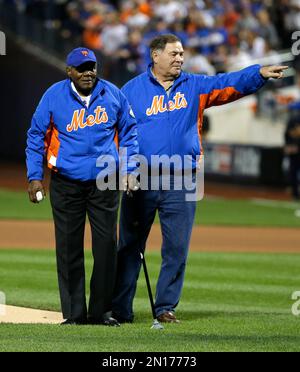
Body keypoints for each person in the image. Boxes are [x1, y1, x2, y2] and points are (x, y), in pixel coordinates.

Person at [112, 34, 288, 324]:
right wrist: (126, 170)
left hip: (182, 179)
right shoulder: (131, 90)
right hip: (141, 179)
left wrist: (256, 74)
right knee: (130, 246)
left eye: (182, 53)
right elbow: (120, 134)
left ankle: (165, 307)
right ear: (155, 56)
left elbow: (226, 84)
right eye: (174, 53)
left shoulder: (194, 85)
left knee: (177, 248)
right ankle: (120, 309)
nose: (180, 58)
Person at [26, 47, 139, 326]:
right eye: (81, 68)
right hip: (65, 181)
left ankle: (101, 312)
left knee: (105, 247)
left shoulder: (113, 94)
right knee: (68, 247)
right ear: (69, 72)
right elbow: (35, 136)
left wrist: (130, 170)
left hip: (105, 180)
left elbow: (129, 133)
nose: (88, 73)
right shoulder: (53, 95)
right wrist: (34, 176)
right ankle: (74, 314)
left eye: (92, 67)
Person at [285, 113, 300, 200]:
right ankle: (295, 194)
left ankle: (295, 194)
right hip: (294, 150)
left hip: (295, 149)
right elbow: (287, 134)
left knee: (293, 172)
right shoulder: (294, 119)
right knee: (293, 172)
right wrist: (288, 145)